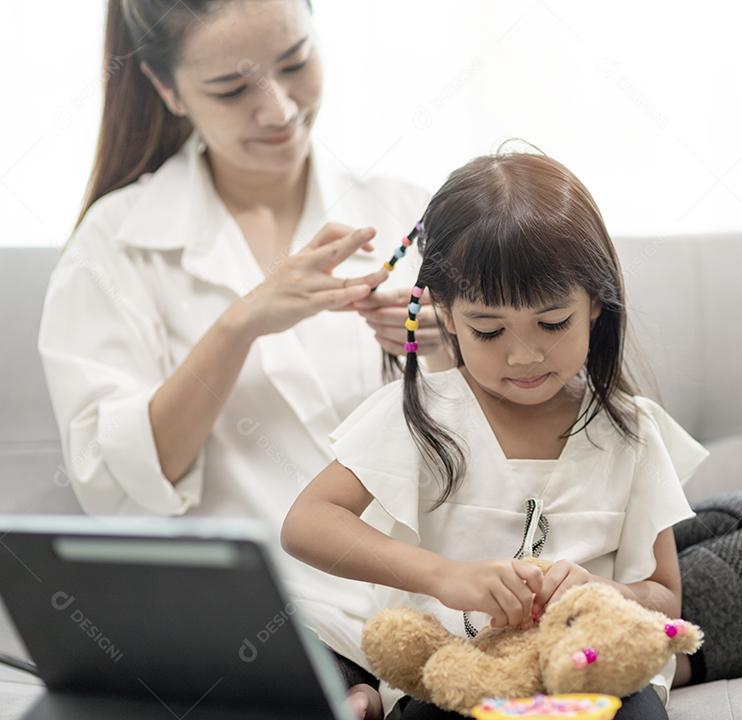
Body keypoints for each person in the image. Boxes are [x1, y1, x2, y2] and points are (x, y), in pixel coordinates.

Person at [281, 152, 742, 719]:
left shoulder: (629, 430)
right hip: (457, 684)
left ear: (596, 306)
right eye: (489, 330)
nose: (525, 354)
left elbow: (663, 598)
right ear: (445, 314)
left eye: (553, 323)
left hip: (586, 679)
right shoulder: (421, 416)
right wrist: (447, 577)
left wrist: (602, 594)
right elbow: (307, 523)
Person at [38, 2, 453, 716]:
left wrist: (458, 351)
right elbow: (118, 483)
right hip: (263, 626)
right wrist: (241, 323)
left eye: (295, 62)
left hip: (438, 600)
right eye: (232, 89)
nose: (280, 108)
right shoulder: (116, 247)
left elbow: (535, 418)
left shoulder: (416, 212)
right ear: (167, 91)